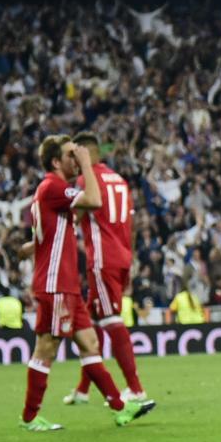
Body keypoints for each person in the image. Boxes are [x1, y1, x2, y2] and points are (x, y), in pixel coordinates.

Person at [20, 135, 155, 431]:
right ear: (56, 161)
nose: (76, 158)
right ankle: (30, 417)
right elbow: (94, 201)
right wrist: (87, 166)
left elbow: (51, 228)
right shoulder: (53, 186)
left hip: (67, 285)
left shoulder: (53, 190)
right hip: (55, 285)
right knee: (46, 348)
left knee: (90, 343)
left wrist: (32, 246)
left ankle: (121, 407)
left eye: (77, 155)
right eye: (70, 155)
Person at [63, 132, 148, 406]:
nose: (74, 164)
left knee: (110, 319)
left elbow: (74, 217)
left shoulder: (87, 179)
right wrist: (129, 260)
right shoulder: (120, 181)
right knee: (91, 321)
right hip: (122, 256)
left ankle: (135, 388)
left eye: (75, 156)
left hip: (102, 258)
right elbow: (131, 226)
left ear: (85, 153)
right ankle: (83, 389)